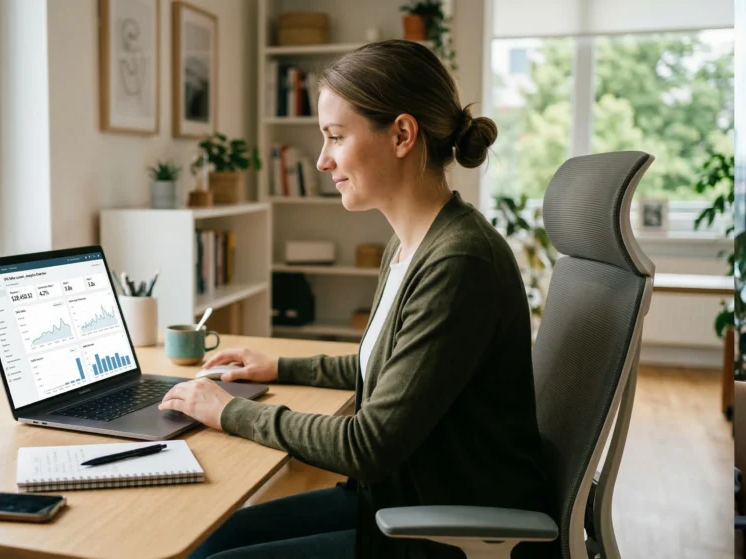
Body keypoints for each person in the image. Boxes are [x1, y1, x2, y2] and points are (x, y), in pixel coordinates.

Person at [158, 40, 560, 559]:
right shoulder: (411, 243)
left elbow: (366, 445)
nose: (323, 161)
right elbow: (393, 371)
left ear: (401, 134)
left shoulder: (459, 262)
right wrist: (277, 365)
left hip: (442, 528)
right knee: (213, 539)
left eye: (336, 137)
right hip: (399, 499)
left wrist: (228, 412)